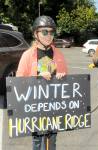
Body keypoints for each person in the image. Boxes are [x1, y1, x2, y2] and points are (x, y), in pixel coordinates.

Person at [16, 15, 67, 150]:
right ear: (35, 34)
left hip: (54, 106)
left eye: (51, 32)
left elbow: (67, 84)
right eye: (45, 31)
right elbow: (19, 82)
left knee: (52, 141)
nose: (49, 35)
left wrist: (63, 78)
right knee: (37, 142)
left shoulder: (59, 55)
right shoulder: (27, 55)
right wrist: (38, 77)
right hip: (36, 107)